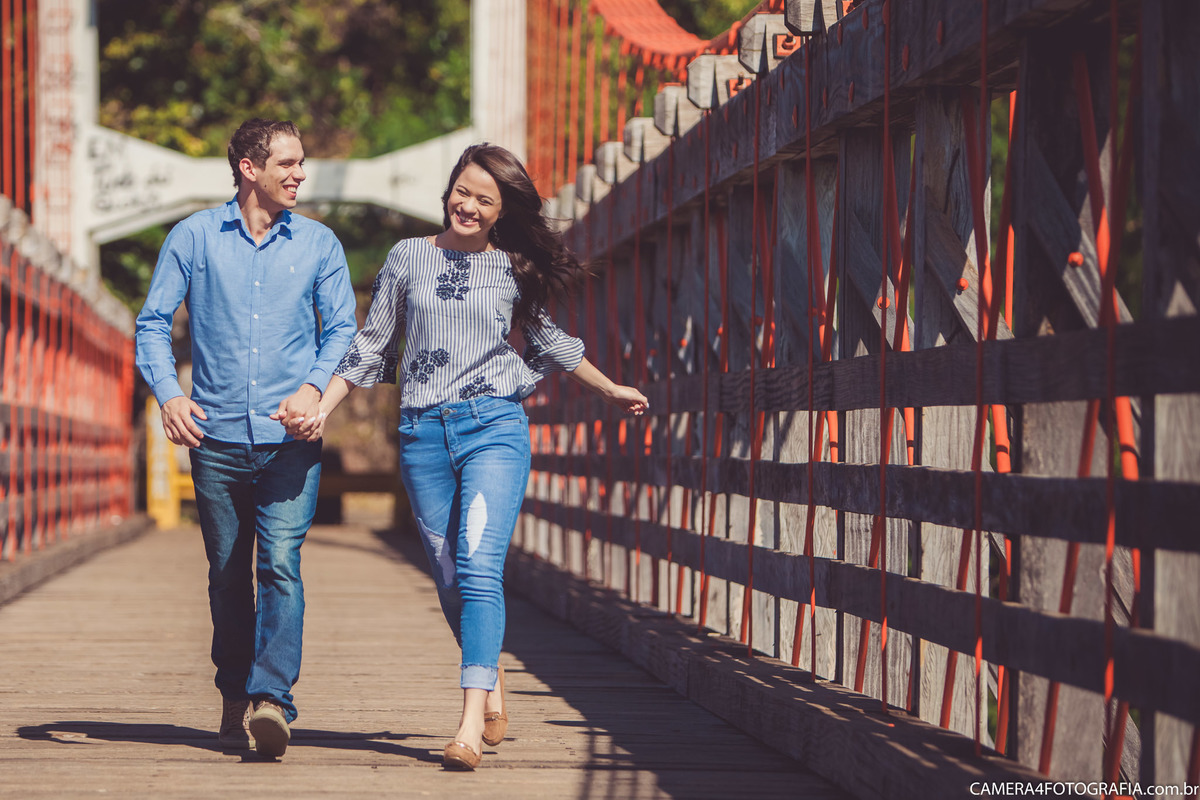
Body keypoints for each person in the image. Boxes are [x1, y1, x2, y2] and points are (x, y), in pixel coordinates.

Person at [291, 143, 648, 771]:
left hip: (494, 430)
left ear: (502, 211)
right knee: (452, 578)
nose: (471, 206)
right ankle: (491, 676)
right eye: (465, 191)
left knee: (480, 571)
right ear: (448, 189)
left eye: (487, 200)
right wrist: (324, 402)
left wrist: (610, 387)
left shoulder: (511, 269)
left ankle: (465, 726)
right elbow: (371, 346)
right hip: (423, 435)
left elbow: (547, 339)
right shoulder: (407, 258)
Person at [135, 119, 358, 759]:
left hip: (291, 443)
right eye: (286, 163)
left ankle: (272, 701)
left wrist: (316, 388)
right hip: (218, 440)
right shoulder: (194, 238)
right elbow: (152, 323)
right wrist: (170, 394)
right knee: (229, 576)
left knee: (280, 566)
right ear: (247, 167)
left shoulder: (318, 243)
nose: (299, 174)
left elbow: (342, 329)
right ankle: (235, 690)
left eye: (301, 163)